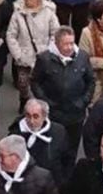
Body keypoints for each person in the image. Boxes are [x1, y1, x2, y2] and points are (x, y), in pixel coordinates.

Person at [31, 26, 94, 170]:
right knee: (52, 151)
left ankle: (69, 182)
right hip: (54, 115)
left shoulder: (83, 57)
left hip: (75, 115)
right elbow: (34, 81)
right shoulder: (44, 59)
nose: (70, 47)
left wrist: (84, 101)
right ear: (57, 43)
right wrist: (45, 103)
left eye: (72, 43)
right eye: (66, 44)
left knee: (71, 152)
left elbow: (90, 81)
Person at [6, 0, 59, 111]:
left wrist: (49, 52)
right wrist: (18, 55)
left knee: (43, 86)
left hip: (44, 58)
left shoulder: (49, 13)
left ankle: (38, 110)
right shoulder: (18, 14)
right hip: (25, 58)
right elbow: (11, 35)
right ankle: (25, 103)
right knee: (23, 85)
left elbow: (55, 34)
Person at [8, 98, 67, 191]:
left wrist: (61, 183)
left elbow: (66, 158)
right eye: (28, 116)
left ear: (44, 116)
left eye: (36, 116)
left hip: (49, 184)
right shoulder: (16, 133)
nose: (31, 121)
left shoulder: (58, 132)